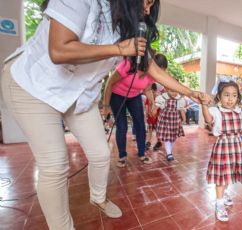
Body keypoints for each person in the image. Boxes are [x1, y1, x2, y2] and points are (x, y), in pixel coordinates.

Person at [0, 1, 207, 229]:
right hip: (34, 85)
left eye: (151, 5)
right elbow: (59, 50)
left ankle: (98, 198)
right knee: (55, 165)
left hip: (79, 94)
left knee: (100, 153)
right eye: (146, 2)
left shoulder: (127, 28)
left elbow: (154, 70)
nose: (147, 11)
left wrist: (191, 92)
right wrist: (119, 49)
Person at [200, 81, 242, 222]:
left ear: (238, 97)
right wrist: (204, 104)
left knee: (230, 172)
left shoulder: (240, 111)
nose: (230, 99)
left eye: (234, 95)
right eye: (226, 95)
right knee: (221, 175)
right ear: (219, 96)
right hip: (223, 146)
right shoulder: (216, 111)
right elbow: (207, 119)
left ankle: (223, 194)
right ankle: (219, 204)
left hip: (237, 146)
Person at [103, 54, 168, 167]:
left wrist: (152, 102)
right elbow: (109, 83)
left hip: (134, 96)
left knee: (140, 124)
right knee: (122, 126)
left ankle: (142, 153)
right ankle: (122, 156)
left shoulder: (153, 76)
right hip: (117, 95)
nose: (161, 74)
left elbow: (147, 89)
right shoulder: (128, 65)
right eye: (161, 70)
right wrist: (106, 106)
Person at [154, 88, 186, 161]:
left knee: (173, 136)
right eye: (172, 91)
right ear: (167, 90)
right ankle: (169, 153)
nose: (174, 93)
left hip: (175, 120)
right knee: (167, 135)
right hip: (164, 119)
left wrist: (184, 119)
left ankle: (169, 151)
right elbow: (156, 107)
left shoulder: (180, 99)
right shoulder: (162, 97)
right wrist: (153, 111)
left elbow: (182, 110)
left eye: (176, 91)